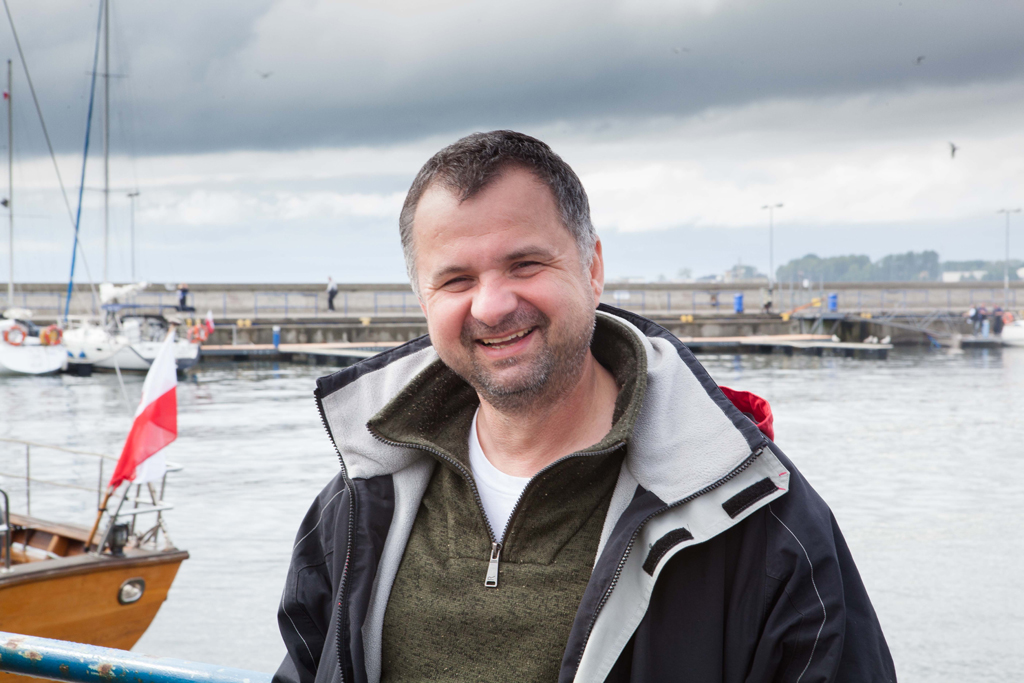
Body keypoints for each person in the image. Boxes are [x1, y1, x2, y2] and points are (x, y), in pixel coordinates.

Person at [274, 131, 896, 683]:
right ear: (423, 299)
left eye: (525, 264)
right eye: (456, 280)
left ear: (592, 267)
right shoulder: (359, 500)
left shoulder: (757, 516)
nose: (492, 305)